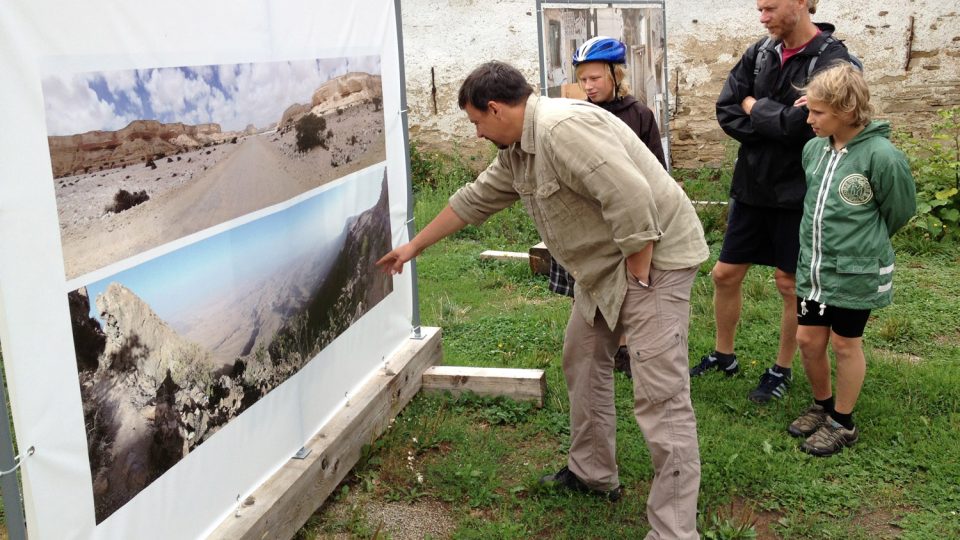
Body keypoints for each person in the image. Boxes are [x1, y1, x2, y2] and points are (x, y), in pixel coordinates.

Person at [378, 61, 708, 539]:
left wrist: (640, 282)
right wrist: (414, 246)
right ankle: (593, 473)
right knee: (583, 356)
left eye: (475, 122)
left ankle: (675, 530)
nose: (475, 133)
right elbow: (475, 198)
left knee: (662, 396)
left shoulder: (560, 130)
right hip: (609, 267)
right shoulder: (518, 149)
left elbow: (633, 200)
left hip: (652, 260)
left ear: (495, 109)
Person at [693, 0, 860, 404]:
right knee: (724, 274)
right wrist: (771, 120)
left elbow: (805, 127)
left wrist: (756, 107)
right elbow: (727, 109)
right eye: (760, 8)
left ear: (801, 3)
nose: (761, 16)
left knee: (788, 284)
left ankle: (780, 369)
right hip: (751, 186)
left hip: (798, 191)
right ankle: (724, 354)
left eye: (769, 7)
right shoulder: (759, 52)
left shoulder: (832, 59)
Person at [786, 63, 915, 456]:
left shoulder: (882, 156)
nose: (808, 119)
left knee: (844, 343)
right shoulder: (813, 150)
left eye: (817, 112)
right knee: (808, 340)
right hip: (815, 269)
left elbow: (900, 210)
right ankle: (822, 405)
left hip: (856, 271)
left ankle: (842, 423)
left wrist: (864, 242)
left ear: (846, 110)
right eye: (809, 110)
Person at [549, 36, 669, 377]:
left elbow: (654, 168)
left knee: (631, 282)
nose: (587, 86)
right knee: (588, 283)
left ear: (616, 75)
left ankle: (628, 346)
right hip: (587, 217)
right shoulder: (576, 114)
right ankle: (595, 345)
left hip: (625, 215)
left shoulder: (639, 115)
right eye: (582, 79)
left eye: (595, 78)